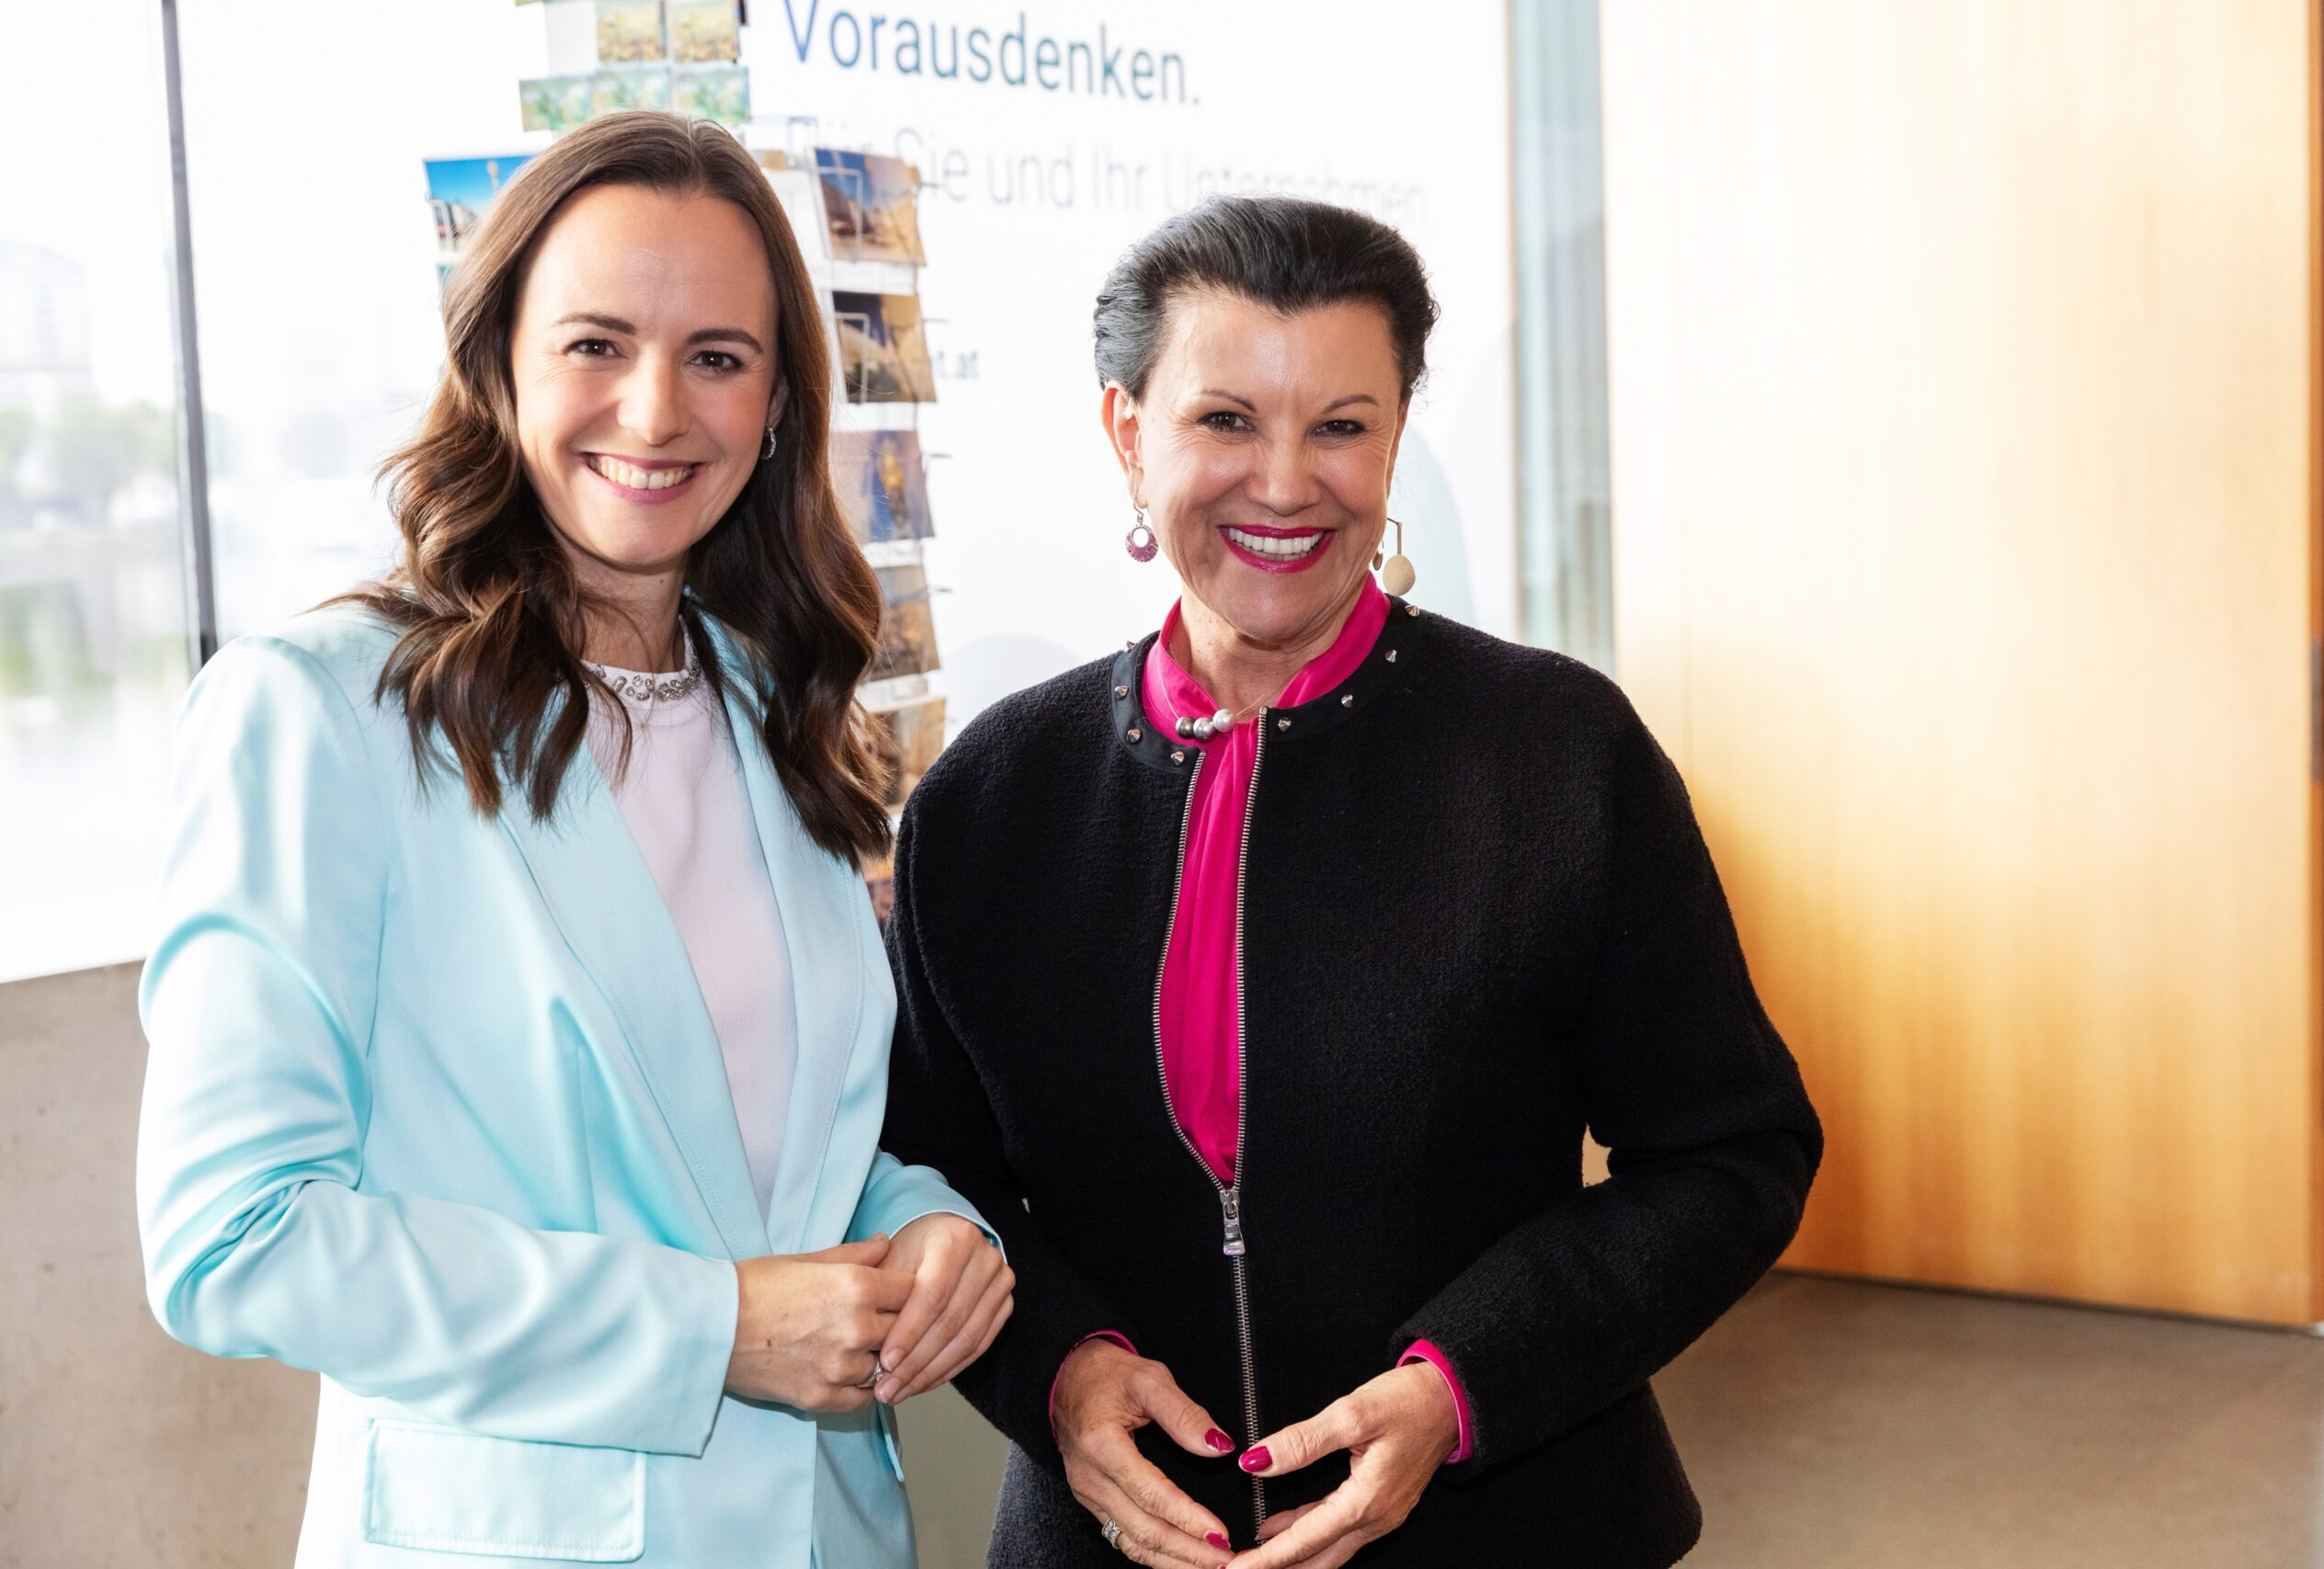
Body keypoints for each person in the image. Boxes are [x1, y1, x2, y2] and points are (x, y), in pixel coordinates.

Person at [880, 195, 1823, 1568]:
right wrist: (1058, 1374)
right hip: (1116, 1543)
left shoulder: (1557, 754)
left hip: (1515, 1527)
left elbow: (1732, 1155)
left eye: (1339, 425)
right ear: (1128, 434)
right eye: (1224, 420)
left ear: (1394, 440)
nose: (1283, 483)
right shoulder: (991, 800)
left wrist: (1462, 1385)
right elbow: (928, 1178)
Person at [135, 111, 1009, 1569]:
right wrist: (714, 1329)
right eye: (597, 344)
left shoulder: (776, 706)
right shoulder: (320, 711)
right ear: (498, 364)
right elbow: (237, 1237)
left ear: (779, 404)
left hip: (827, 1533)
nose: (655, 412)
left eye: (717, 357)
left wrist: (925, 1225)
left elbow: (768, 1145)